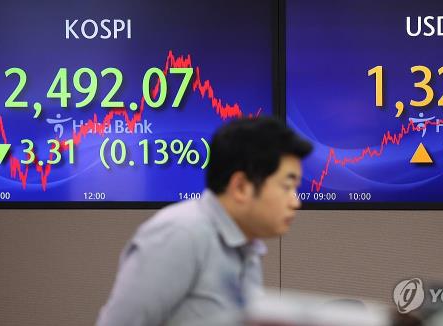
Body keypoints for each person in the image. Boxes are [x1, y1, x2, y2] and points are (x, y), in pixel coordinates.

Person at [95, 117, 313, 326]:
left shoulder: (246, 247)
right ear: (241, 187)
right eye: (287, 186)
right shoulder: (180, 234)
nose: (295, 202)